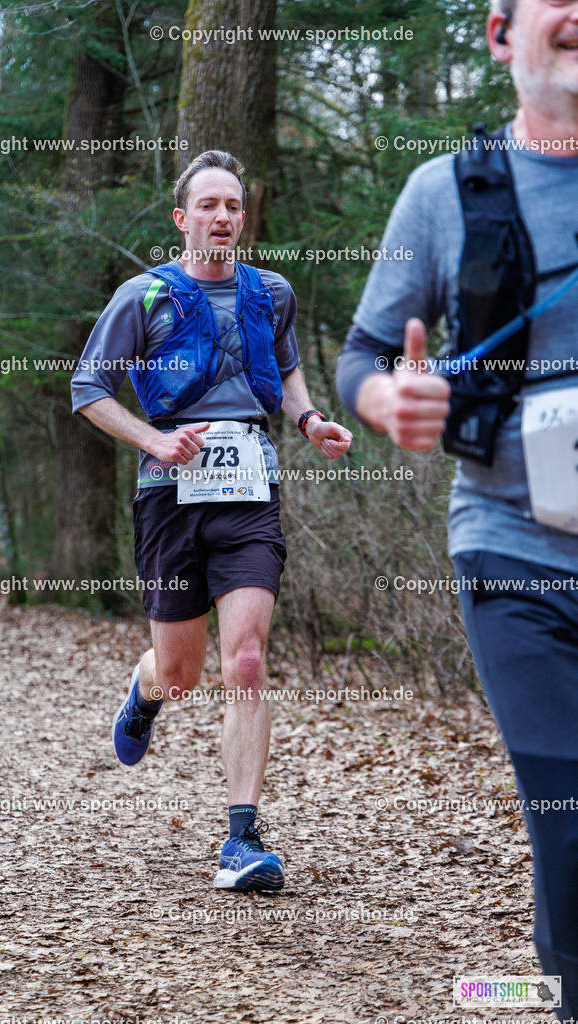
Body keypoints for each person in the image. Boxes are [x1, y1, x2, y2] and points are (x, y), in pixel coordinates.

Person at [336, 1, 578, 1019]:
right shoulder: (443, 194)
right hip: (514, 551)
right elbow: (359, 355)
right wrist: (388, 398)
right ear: (497, 34)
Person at [71, 150, 352, 893]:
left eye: (233, 206)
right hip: (169, 493)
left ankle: (241, 839)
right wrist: (154, 440)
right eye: (208, 206)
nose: (223, 217)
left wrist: (310, 418)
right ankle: (146, 689)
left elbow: (283, 369)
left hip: (251, 489)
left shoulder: (270, 293)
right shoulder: (144, 296)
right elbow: (88, 386)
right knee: (181, 673)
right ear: (182, 218)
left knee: (249, 659)